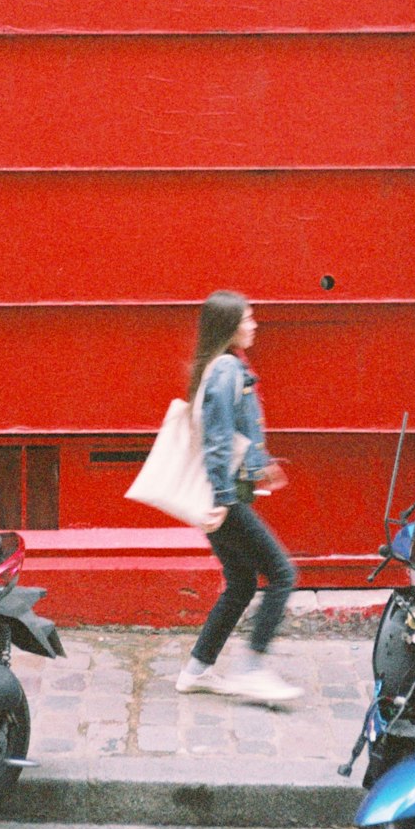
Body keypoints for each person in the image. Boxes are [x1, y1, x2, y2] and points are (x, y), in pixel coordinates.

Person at [175, 290, 302, 705]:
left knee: (242, 583)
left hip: (221, 495)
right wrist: (225, 499)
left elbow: (229, 434)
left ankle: (197, 669)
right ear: (229, 325)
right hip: (224, 499)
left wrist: (261, 464)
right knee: (283, 574)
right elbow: (215, 442)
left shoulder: (220, 366)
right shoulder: (227, 368)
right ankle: (251, 669)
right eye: (247, 319)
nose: (254, 325)